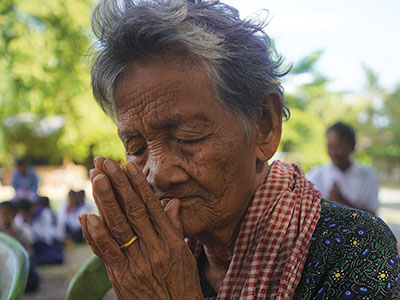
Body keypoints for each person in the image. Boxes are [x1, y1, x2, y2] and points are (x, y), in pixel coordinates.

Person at [79, 0, 400, 299]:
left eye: (187, 137)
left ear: (264, 125)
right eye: (136, 147)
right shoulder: (152, 262)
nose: (159, 174)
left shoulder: (355, 247)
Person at [307, 122, 380, 215]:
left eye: (339, 147)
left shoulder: (368, 176)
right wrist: (328, 203)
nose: (334, 152)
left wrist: (344, 202)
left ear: (352, 146)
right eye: (330, 147)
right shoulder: (315, 174)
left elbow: (374, 215)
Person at [0, 201, 40, 292]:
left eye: (6, 213)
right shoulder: (1, 233)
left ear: (14, 215)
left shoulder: (22, 231)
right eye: (0, 213)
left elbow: (26, 254)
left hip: (18, 267)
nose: (3, 216)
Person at [15, 198, 63, 265]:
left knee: (56, 256)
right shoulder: (19, 220)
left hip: (42, 245)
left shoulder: (43, 215)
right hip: (30, 247)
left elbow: (47, 237)